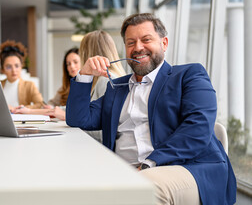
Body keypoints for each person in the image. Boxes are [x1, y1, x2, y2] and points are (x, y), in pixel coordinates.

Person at [66, 13, 236, 204]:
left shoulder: (189, 75)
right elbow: (78, 119)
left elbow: (197, 129)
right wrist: (85, 75)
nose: (138, 47)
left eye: (146, 40)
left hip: (187, 169)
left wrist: (147, 164)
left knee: (144, 188)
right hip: (123, 169)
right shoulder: (117, 87)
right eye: (131, 43)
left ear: (164, 43)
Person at [12, 47, 80, 120]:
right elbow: (51, 103)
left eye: (75, 62)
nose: (72, 66)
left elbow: (68, 111)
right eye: (68, 64)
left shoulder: (88, 87)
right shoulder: (65, 87)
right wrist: (50, 107)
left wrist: (28, 111)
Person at [0, 40, 43, 110]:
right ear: (2, 70)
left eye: (17, 66)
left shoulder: (29, 85)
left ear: (21, 66)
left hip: (20, 119)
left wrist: (21, 108)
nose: (14, 70)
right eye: (9, 67)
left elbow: (40, 104)